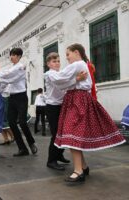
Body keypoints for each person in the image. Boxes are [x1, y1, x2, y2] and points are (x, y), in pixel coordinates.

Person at [49, 43, 125, 183]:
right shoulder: (81, 65)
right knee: (73, 136)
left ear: (76, 52)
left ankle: (78, 171)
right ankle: (83, 167)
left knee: (72, 135)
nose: (67, 58)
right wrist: (74, 80)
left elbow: (60, 79)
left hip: (77, 100)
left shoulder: (77, 64)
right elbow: (65, 84)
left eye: (68, 54)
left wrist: (50, 73)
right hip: (76, 99)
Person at [44, 52, 87, 171]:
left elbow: (67, 85)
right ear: (48, 64)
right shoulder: (50, 74)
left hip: (63, 106)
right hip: (52, 107)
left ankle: (59, 155)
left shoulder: (61, 73)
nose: (57, 63)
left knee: (64, 132)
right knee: (56, 134)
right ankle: (51, 160)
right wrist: (77, 78)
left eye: (58, 61)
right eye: (54, 61)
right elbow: (61, 85)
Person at [0, 48, 37, 156]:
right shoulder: (12, 68)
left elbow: (11, 78)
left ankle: (31, 143)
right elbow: (6, 78)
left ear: (19, 56)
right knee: (11, 123)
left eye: (14, 55)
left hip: (21, 97)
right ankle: (22, 149)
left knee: (22, 122)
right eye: (11, 55)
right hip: (12, 98)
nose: (11, 57)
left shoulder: (20, 67)